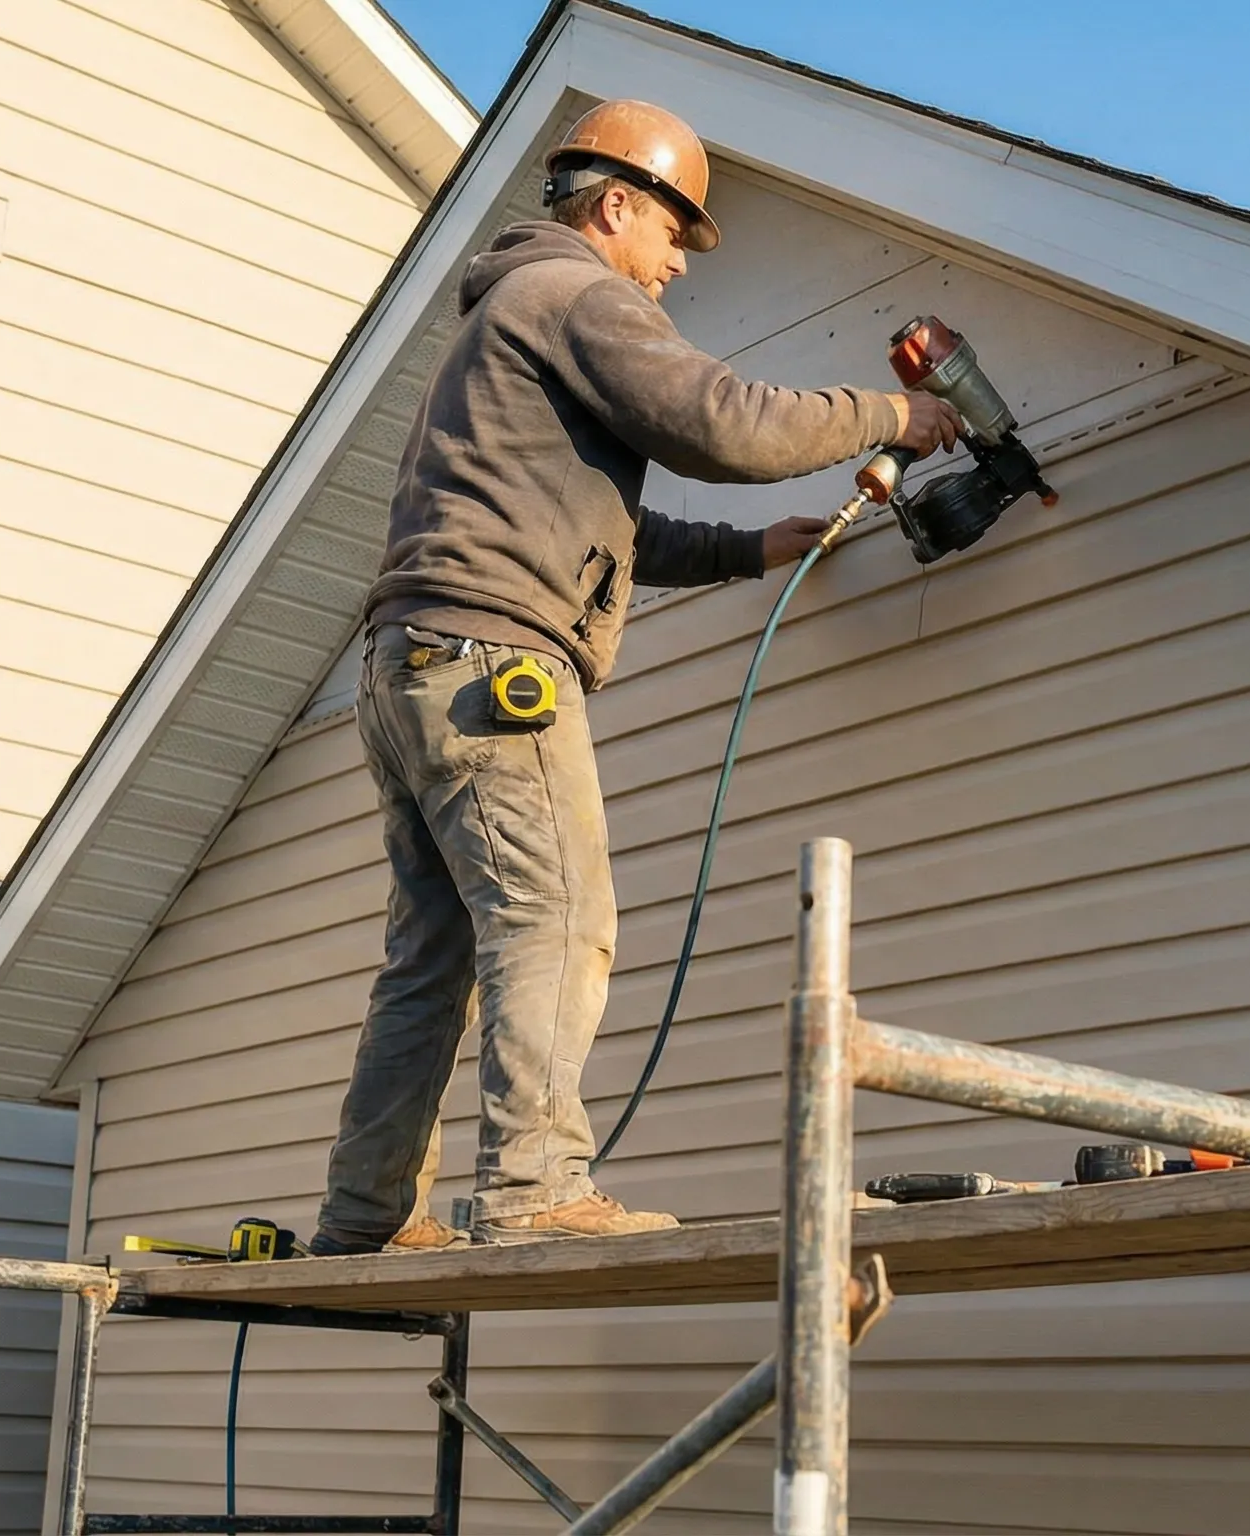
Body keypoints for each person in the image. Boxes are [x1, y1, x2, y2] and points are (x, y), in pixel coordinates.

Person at [308, 101, 964, 1253]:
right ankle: (534, 1193)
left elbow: (591, 525)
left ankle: (366, 1214)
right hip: (491, 666)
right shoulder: (575, 296)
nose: (672, 268)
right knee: (557, 917)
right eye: (672, 235)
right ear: (614, 205)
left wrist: (743, 549)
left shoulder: (506, 321)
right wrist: (895, 415)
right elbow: (723, 423)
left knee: (438, 953)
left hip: (409, 667)